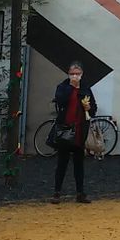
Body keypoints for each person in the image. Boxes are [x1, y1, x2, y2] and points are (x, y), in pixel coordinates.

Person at [51, 61, 95, 204]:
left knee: (79, 163)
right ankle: (57, 192)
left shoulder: (86, 89)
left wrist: (89, 108)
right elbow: (60, 101)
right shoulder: (63, 87)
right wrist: (71, 87)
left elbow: (94, 109)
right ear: (68, 74)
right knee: (62, 162)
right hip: (65, 129)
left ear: (82, 74)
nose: (75, 76)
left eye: (77, 73)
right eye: (72, 73)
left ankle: (80, 193)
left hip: (80, 130)